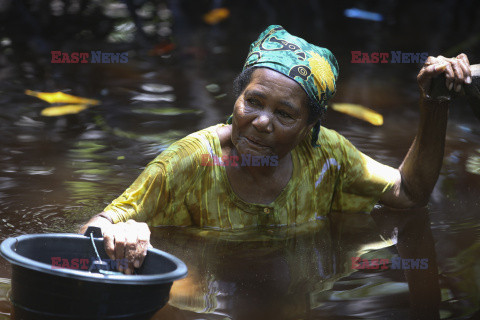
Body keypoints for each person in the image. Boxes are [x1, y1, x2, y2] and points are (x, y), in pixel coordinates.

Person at [80, 25, 472, 274]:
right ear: (237, 101)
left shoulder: (327, 157)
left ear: (308, 130)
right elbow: (94, 227)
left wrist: (433, 104)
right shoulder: (191, 162)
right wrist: (118, 235)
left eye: (284, 113)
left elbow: (409, 193)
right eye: (253, 102)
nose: (261, 121)